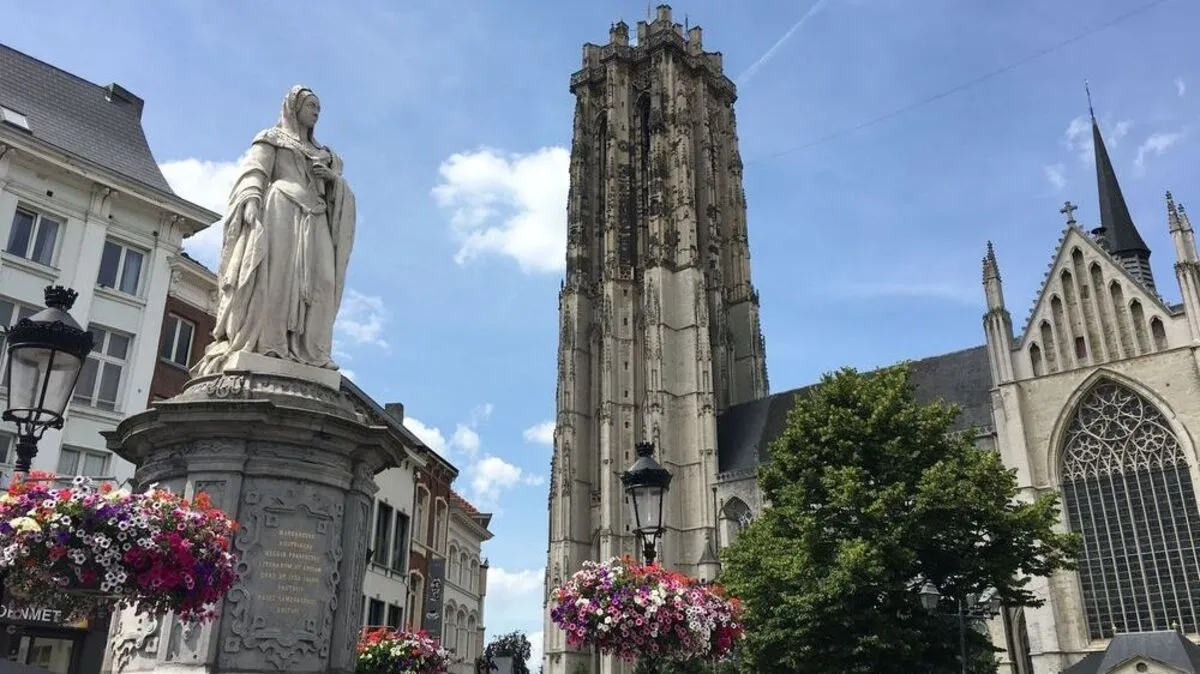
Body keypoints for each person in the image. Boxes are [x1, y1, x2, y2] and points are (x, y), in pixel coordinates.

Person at [195, 85, 356, 377]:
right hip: (281, 208)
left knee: (324, 280)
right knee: (277, 277)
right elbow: (254, 171)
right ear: (293, 107)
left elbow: (341, 191)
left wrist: (332, 180)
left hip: (316, 215)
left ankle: (312, 352)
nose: (316, 111)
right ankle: (270, 343)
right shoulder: (272, 138)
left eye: (318, 107)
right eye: (310, 105)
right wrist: (251, 201)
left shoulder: (326, 154)